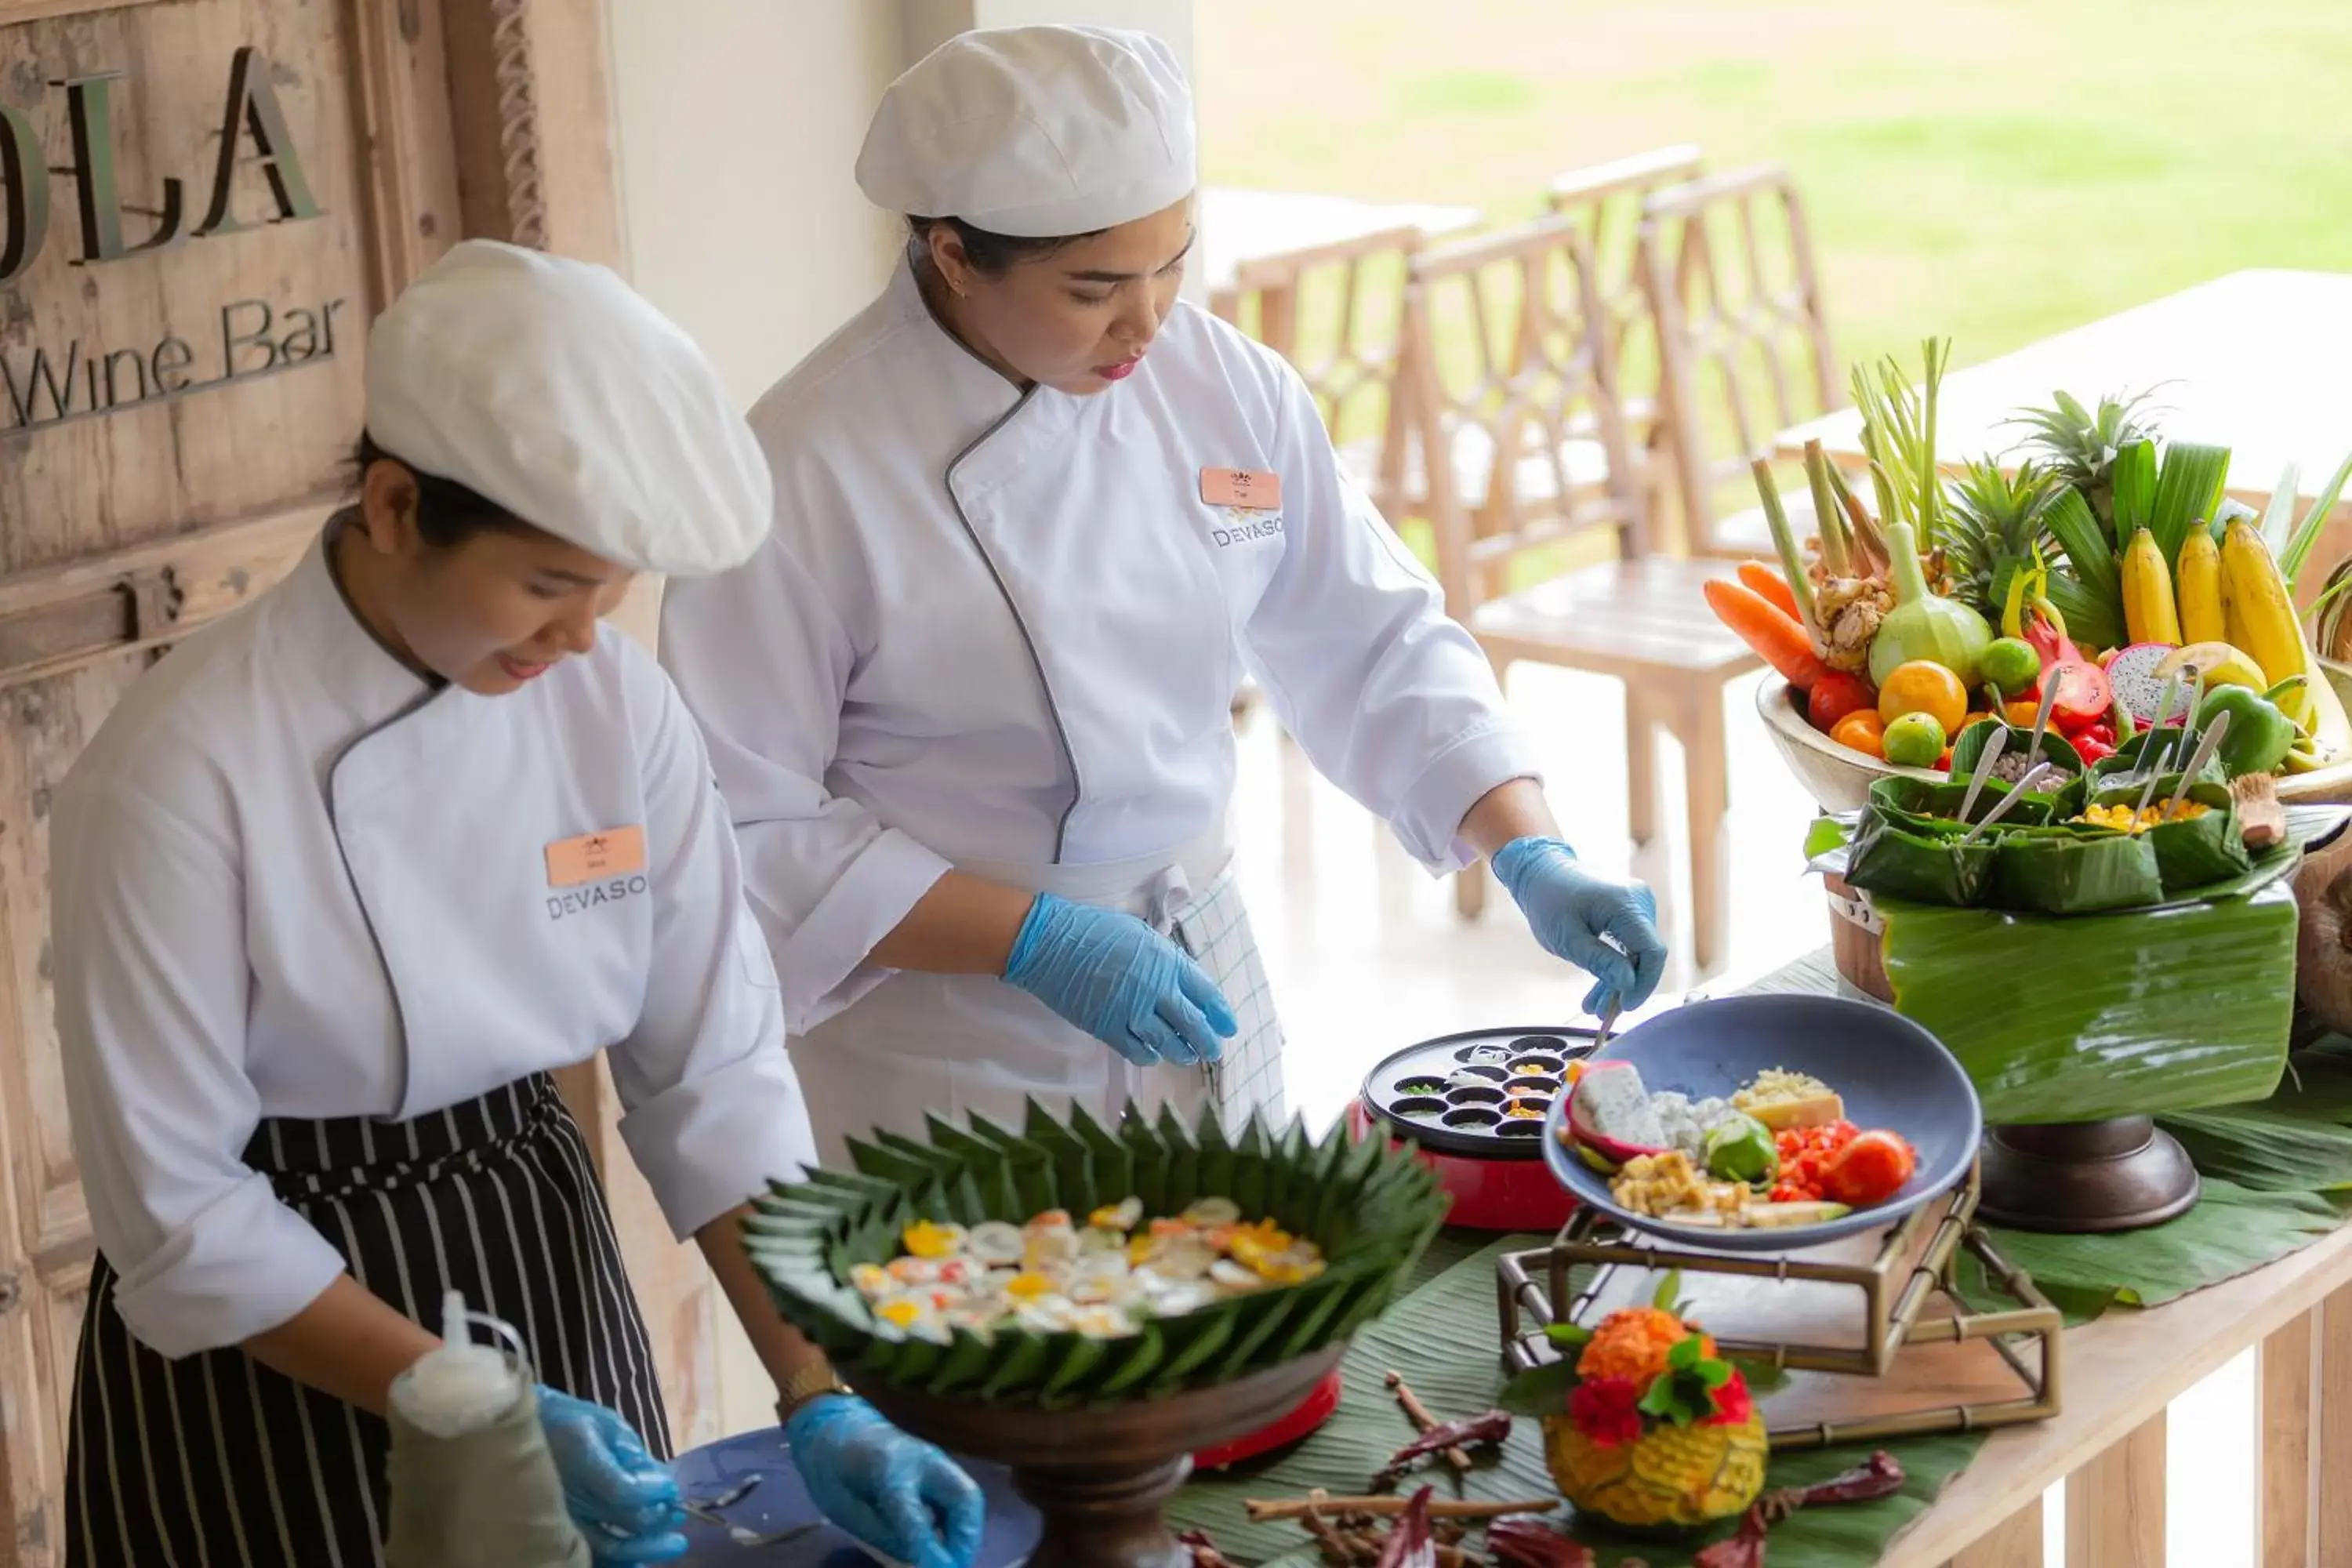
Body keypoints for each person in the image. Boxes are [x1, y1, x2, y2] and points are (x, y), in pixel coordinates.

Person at [53, 240, 982, 1568]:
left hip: (531, 1232)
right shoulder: (175, 774)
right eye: (547, 585)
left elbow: (714, 1066)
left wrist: (820, 1389)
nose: (579, 637)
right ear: (390, 505)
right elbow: (180, 1217)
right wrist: (474, 1408)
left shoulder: (614, 705)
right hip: (276, 1326)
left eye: (608, 592)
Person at [656, 24, 1670, 1171]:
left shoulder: (1219, 383)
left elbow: (1374, 636)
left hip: (1199, 969)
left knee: (1256, 1331)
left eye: (1171, 263)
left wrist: (1529, 845)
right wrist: (1030, 936)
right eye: (1093, 289)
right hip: (952, 1041)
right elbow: (735, 824)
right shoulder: (804, 467)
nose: (1148, 323)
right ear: (951, 253)